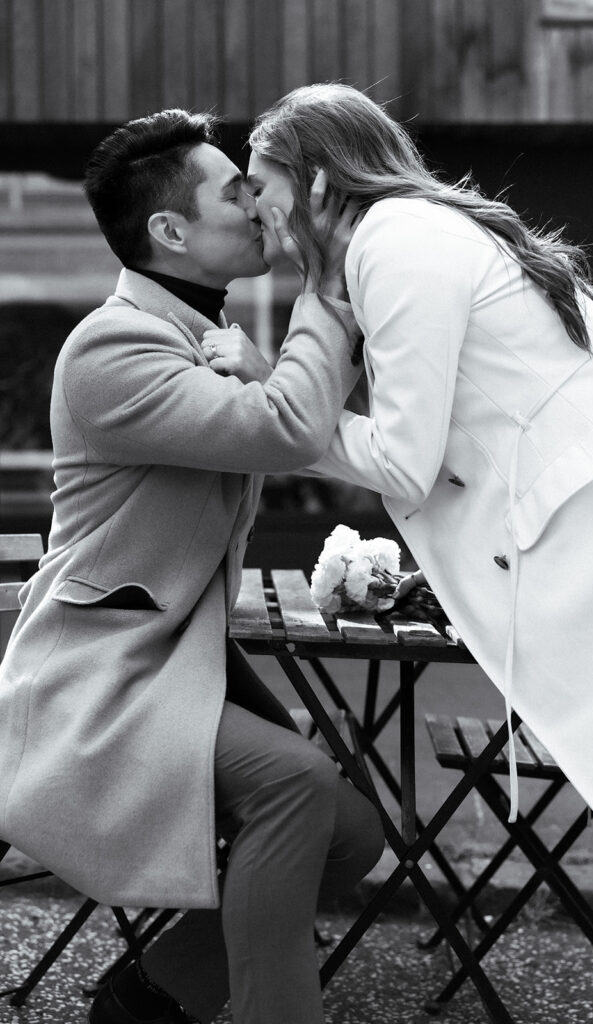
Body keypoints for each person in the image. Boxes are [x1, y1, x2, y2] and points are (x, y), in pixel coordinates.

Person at [207, 83, 593, 1024]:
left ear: (312, 177)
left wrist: (279, 400)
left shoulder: (396, 243)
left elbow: (403, 466)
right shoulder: (395, 243)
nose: (251, 206)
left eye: (257, 184)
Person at [0, 107, 384, 1024]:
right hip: (99, 677)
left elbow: (283, 413)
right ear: (169, 230)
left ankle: (155, 996)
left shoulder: (192, 335)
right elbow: (285, 431)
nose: (258, 205)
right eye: (235, 190)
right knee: (294, 788)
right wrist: (326, 284)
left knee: (353, 827)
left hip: (176, 657)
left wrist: (267, 360)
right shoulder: (112, 346)